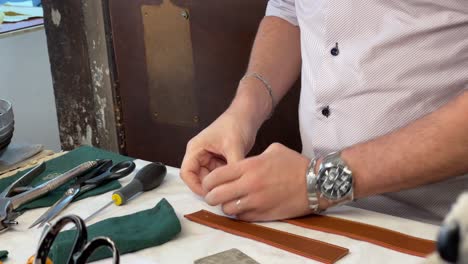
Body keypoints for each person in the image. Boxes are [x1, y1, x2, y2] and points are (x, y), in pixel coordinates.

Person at [180, 0, 468, 224]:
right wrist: (242, 112)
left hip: (433, 226)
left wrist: (319, 182)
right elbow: (289, 9)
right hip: (311, 215)